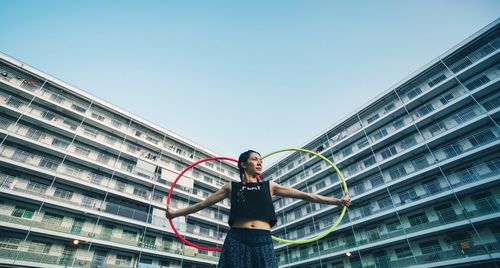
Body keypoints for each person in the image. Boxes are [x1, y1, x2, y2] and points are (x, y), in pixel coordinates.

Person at [166, 150, 351, 267]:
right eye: (255, 159)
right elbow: (201, 205)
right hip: (236, 238)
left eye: (261, 160)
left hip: (262, 239)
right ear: (243, 164)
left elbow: (306, 195)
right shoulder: (231, 187)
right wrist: (174, 213)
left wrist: (337, 201)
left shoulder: (270, 186)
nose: (260, 162)